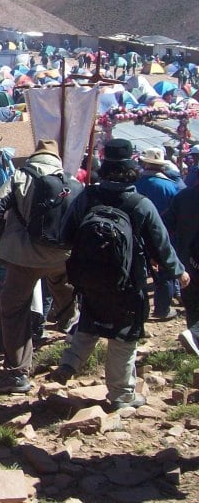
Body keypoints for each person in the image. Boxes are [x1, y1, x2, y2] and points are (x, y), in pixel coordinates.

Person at [52, 139, 188, 409]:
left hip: (88, 278)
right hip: (128, 282)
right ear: (131, 169)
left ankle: (69, 364)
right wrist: (178, 272)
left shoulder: (88, 196)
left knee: (90, 321)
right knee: (124, 338)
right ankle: (122, 395)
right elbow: (161, 245)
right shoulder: (139, 203)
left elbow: (64, 235)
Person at [0, 140, 78, 393]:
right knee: (64, 290)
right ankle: (75, 334)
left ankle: (17, 372)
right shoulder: (70, 180)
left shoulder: (20, 176)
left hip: (24, 256)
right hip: (62, 255)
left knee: (14, 308)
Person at [135, 147, 182, 321]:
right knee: (165, 274)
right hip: (164, 235)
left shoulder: (135, 183)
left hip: (137, 235)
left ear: (146, 163)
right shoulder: (171, 186)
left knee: (138, 273)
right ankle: (162, 310)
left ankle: (140, 311)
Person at [167, 181, 199, 355]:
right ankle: (194, 335)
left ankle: (194, 345)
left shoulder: (184, 196)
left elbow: (166, 226)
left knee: (193, 305)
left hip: (188, 263)